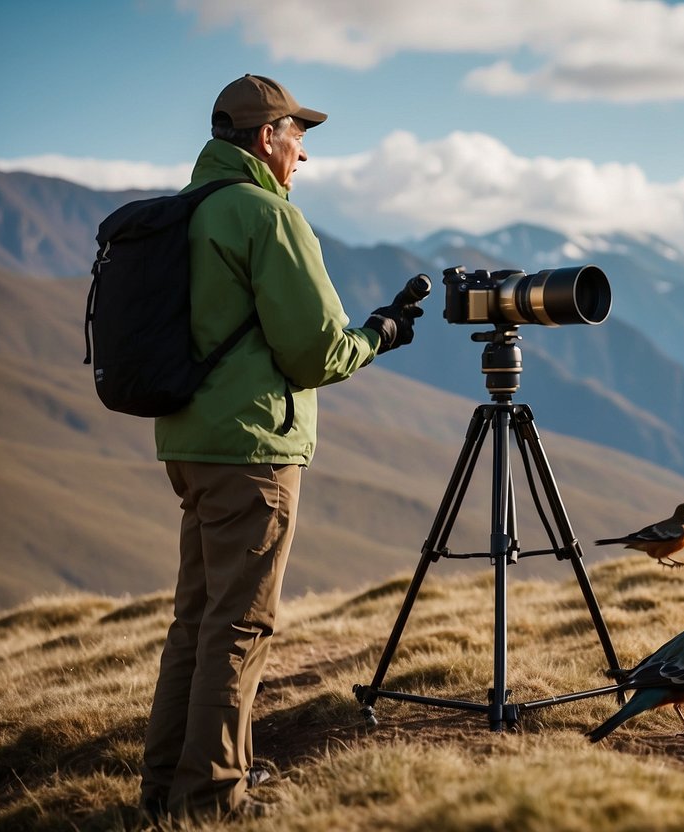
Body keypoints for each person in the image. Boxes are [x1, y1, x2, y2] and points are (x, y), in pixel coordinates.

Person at [139, 74, 423, 820]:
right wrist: (381, 334)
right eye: (299, 138)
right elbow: (317, 353)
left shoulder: (188, 211)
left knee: (196, 621)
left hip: (191, 443)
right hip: (254, 453)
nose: (304, 156)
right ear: (267, 138)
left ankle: (167, 783)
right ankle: (212, 797)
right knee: (239, 625)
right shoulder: (268, 218)